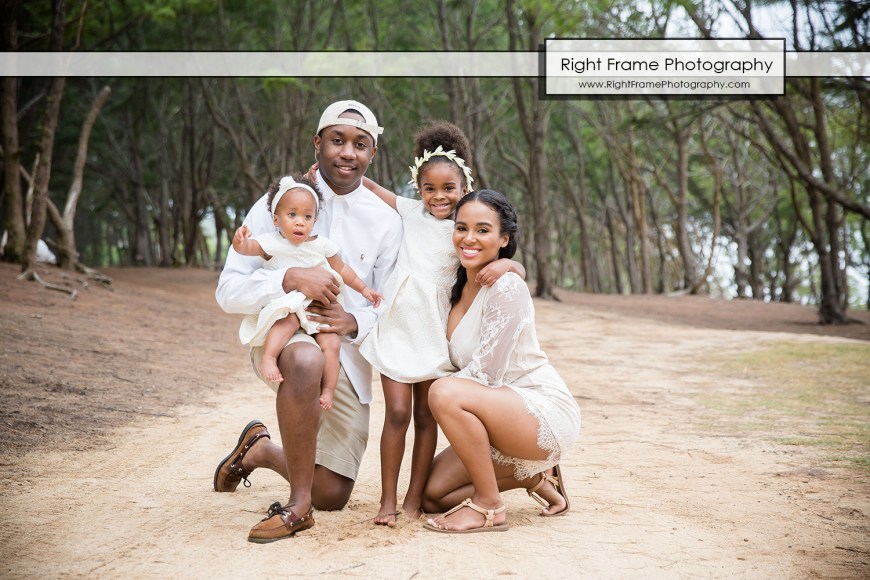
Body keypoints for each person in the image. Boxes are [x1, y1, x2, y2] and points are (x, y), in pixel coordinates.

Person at [213, 100, 402, 543]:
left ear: (372, 154)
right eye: (337, 140)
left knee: (333, 492)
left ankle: (259, 450)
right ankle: (297, 508)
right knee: (304, 359)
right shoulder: (275, 202)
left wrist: (352, 320)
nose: (347, 153)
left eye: (360, 144)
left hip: (346, 358)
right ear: (318, 143)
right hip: (286, 341)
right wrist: (287, 277)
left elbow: (388, 300)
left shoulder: (385, 221)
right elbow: (228, 292)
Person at [359, 122, 525, 527]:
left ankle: (414, 499)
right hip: (399, 325)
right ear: (418, 188)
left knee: (425, 417)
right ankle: (386, 501)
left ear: (464, 186)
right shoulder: (410, 210)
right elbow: (370, 187)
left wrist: (510, 263)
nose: (438, 196)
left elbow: (505, 258)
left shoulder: (465, 225)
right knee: (396, 414)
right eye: (429, 188)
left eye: (448, 188)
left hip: (436, 330)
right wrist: (326, 174)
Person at [420, 189, 581, 533]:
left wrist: (512, 266)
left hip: (540, 410)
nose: (469, 238)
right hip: (497, 413)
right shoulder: (455, 282)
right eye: (461, 228)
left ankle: (489, 507)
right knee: (432, 496)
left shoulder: (507, 286)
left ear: (503, 238)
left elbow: (485, 377)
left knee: (443, 392)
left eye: (482, 230)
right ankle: (535, 476)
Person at [232, 173, 384, 410]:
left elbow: (343, 269)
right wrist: (240, 242)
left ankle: (328, 390)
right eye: (291, 215)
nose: (300, 222)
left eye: (307, 216)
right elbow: (249, 248)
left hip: (319, 308)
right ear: (276, 219)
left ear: (314, 220)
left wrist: (365, 290)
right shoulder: (273, 242)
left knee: (332, 344)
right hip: (292, 302)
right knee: (287, 319)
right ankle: (269, 359)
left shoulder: (321, 244)